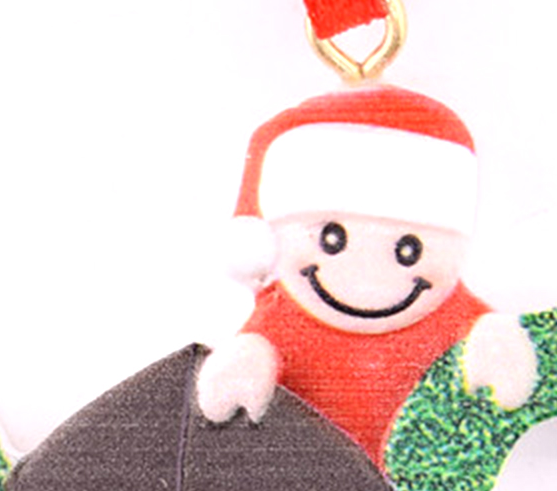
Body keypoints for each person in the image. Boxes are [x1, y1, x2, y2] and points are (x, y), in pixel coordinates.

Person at [197, 84, 537, 467]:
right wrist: (244, 365)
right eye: (332, 239)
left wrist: (496, 347)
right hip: (307, 470)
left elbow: (488, 340)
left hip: (420, 469)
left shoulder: (454, 316)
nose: (369, 277)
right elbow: (252, 350)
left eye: (408, 250)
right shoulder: (283, 319)